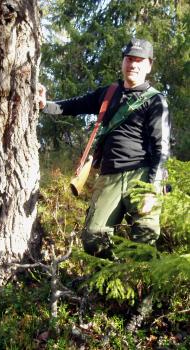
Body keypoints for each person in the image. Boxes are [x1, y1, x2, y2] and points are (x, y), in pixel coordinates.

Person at [39, 38, 171, 258]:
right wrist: (45, 105)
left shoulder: (156, 101)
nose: (133, 65)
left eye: (139, 60)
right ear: (123, 62)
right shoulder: (108, 93)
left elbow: (162, 148)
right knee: (93, 237)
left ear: (149, 65)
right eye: (129, 59)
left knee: (145, 236)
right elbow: (74, 105)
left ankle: (140, 285)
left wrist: (152, 188)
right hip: (108, 175)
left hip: (142, 175)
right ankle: (111, 279)